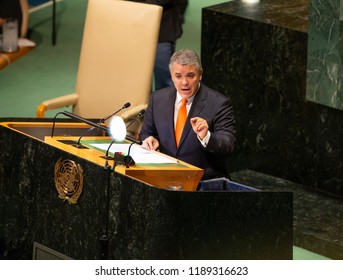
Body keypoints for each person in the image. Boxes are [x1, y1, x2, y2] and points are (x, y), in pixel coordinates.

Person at [139, 49, 236, 180]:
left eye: (190, 76)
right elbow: (146, 133)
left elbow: (228, 145)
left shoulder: (219, 103)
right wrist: (150, 140)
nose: (184, 82)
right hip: (165, 180)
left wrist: (206, 136)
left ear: (200, 74)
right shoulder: (158, 99)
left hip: (203, 184)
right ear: (171, 76)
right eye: (178, 76)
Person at [130, 0, 188, 90]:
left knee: (164, 80)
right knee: (135, 79)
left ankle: (164, 103)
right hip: (134, 29)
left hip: (162, 31)